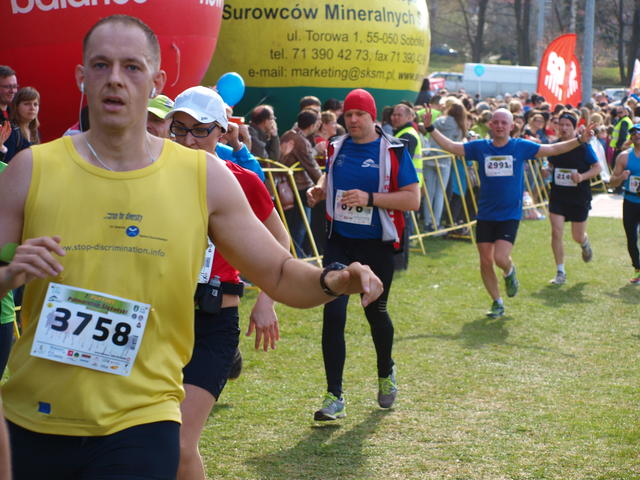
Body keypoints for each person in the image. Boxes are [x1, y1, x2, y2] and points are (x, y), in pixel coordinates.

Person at [0, 15, 382, 479]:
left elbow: (279, 272)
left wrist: (336, 279)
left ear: (157, 81)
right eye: (101, 65)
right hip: (33, 417)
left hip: (141, 418)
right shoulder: (30, 170)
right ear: (82, 76)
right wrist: (9, 275)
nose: (115, 79)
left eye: (132, 67)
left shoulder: (204, 178)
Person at [165, 86, 288, 480]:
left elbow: (280, 242)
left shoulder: (242, 180)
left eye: (200, 130)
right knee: (146, 441)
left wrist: (266, 300)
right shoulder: (153, 175)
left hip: (213, 323)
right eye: (180, 129)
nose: (188, 140)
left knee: (179, 445)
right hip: (158, 322)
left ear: (221, 131)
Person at [307, 88, 420, 420]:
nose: (353, 120)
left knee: (375, 313)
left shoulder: (393, 150)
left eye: (360, 114)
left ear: (373, 117)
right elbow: (330, 173)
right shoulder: (336, 146)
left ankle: (386, 372)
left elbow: (412, 199)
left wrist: (370, 199)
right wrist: (321, 188)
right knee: (333, 314)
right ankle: (334, 396)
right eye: (349, 114)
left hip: (376, 245)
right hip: (340, 242)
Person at [424, 107, 594, 317]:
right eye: (496, 122)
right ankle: (497, 302)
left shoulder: (520, 146)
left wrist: (580, 140)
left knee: (500, 258)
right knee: (485, 260)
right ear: (490, 124)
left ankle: (509, 271)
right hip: (485, 213)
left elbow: (553, 149)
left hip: (509, 214)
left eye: (504, 123)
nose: (499, 126)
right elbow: (451, 146)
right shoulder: (480, 147)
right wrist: (430, 128)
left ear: (512, 126)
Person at [545, 111, 601, 285]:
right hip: (558, 196)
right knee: (556, 232)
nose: (564, 128)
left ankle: (584, 243)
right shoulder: (554, 146)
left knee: (577, 236)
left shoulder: (583, 146)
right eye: (561, 124)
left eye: (568, 125)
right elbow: (550, 164)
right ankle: (560, 271)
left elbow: (597, 168)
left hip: (579, 196)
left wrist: (582, 177)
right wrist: (547, 170)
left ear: (574, 128)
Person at [280, 109, 323, 257]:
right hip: (299, 187)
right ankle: (296, 258)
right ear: (312, 126)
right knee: (300, 226)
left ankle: (294, 256)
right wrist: (324, 183)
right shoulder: (300, 141)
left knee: (296, 226)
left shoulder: (288, 134)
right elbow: (311, 165)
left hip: (291, 186)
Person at [608, 123, 640, 284]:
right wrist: (621, 177)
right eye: (633, 133)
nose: (637, 135)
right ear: (631, 137)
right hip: (630, 201)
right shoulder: (624, 157)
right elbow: (612, 182)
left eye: (639, 132)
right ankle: (638, 268)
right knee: (631, 238)